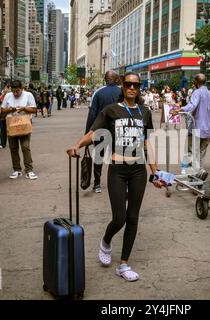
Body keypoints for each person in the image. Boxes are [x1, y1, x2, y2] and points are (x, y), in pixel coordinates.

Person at [66, 72, 161, 282]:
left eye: (136, 85)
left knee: (133, 217)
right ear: (122, 86)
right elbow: (93, 133)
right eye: (128, 84)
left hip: (138, 170)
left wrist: (156, 172)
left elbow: (148, 144)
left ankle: (124, 264)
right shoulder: (111, 110)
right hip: (118, 170)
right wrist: (77, 145)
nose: (132, 88)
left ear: (140, 88)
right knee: (119, 217)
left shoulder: (145, 112)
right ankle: (106, 240)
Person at [84, 70, 122, 193]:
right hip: (119, 130)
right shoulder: (122, 92)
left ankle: (97, 184)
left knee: (98, 157)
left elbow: (92, 114)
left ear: (105, 79)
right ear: (116, 79)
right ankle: (119, 183)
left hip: (100, 130)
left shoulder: (98, 93)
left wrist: (88, 134)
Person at [171, 73, 210, 172]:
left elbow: (192, 105)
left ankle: (191, 173)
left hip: (196, 128)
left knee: (191, 152)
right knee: (201, 153)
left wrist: (180, 109)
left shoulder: (197, 92)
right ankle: (199, 173)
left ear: (196, 82)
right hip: (207, 129)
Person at [1, 80, 38, 180]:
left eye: (17, 91)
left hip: (24, 124)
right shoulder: (8, 96)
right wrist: (11, 109)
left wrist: (24, 109)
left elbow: (34, 109)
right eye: (13, 91)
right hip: (11, 124)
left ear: (22, 88)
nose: (15, 93)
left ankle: (29, 170)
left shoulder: (28, 95)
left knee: (25, 147)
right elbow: (3, 110)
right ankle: (16, 169)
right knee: (13, 148)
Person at [0, 84, 11, 149]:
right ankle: (2, 143)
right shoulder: (4, 95)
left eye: (6, 88)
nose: (5, 89)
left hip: (10, 114)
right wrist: (3, 94)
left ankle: (12, 142)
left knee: (9, 129)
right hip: (3, 114)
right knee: (3, 129)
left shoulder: (12, 95)